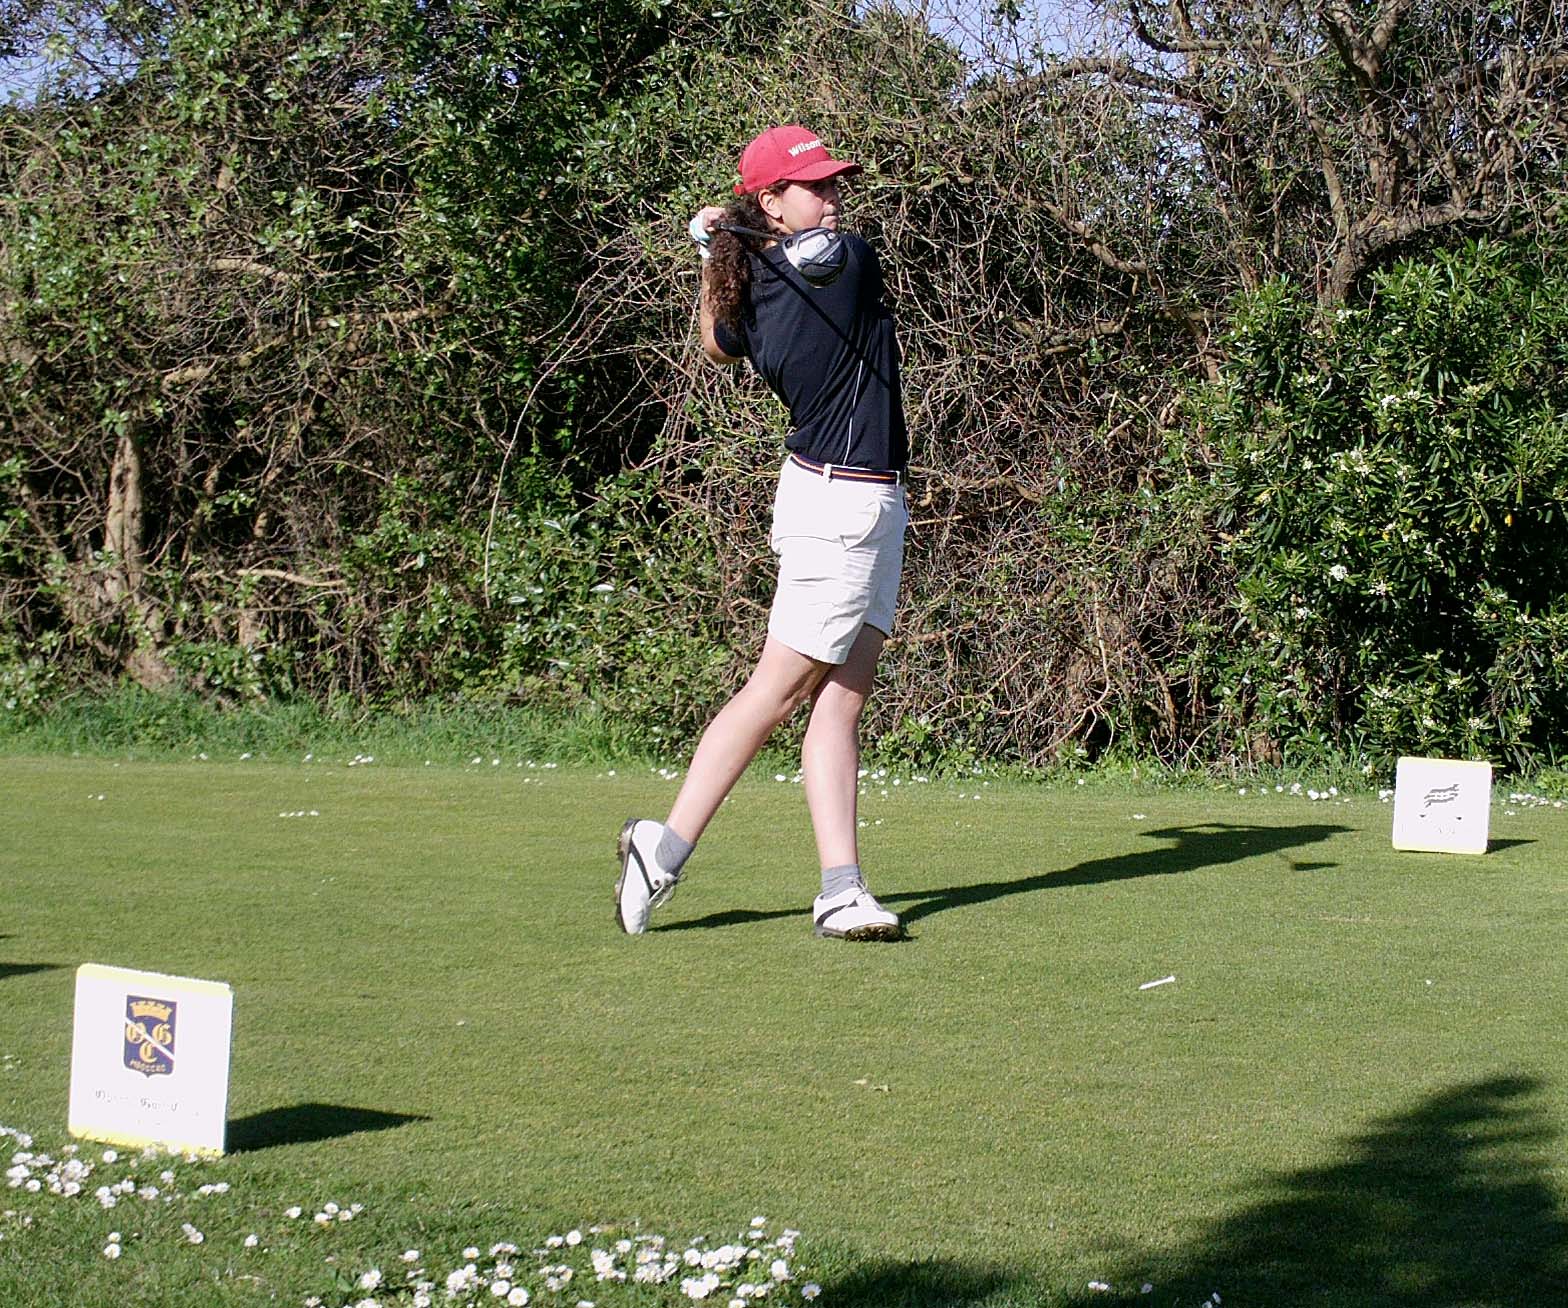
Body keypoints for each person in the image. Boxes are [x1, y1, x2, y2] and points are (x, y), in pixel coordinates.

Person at [615, 124, 910, 942]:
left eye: (833, 183)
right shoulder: (841, 262)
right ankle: (662, 850)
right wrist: (722, 239)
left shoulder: (755, 283)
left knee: (840, 704)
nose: (833, 197)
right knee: (775, 693)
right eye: (812, 186)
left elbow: (716, 341)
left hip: (867, 504)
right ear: (771, 202)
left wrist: (715, 247)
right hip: (840, 510)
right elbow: (786, 282)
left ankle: (841, 889)